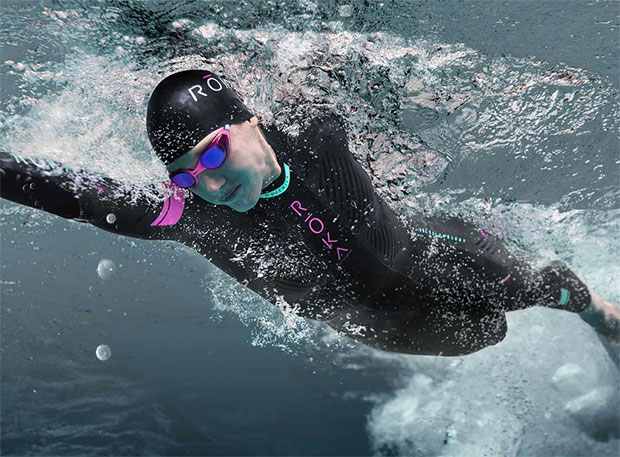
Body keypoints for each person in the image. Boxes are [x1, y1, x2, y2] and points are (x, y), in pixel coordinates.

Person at [1, 69, 618, 357]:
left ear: (248, 121)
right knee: (488, 334)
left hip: (432, 256)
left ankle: (603, 318)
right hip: (389, 329)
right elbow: (74, 194)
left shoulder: (309, 126)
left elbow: (365, 69)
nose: (209, 182)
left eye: (213, 152)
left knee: (541, 286)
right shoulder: (188, 213)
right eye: (187, 173)